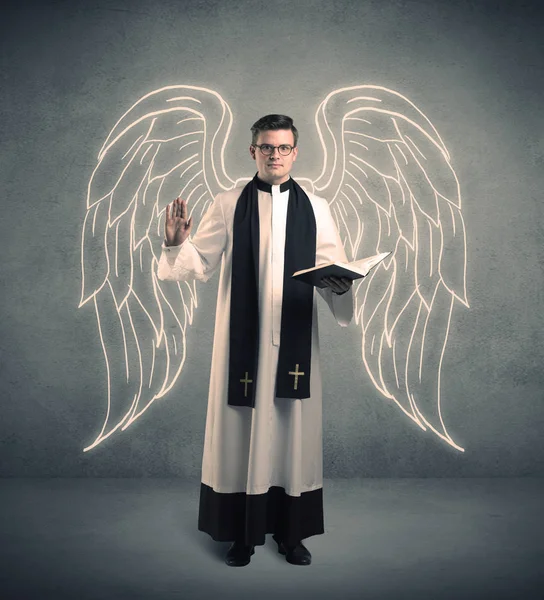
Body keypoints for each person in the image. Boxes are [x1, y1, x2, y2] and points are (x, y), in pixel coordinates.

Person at [157, 114, 354, 567]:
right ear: (253, 151)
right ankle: (241, 534)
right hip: (242, 343)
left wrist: (339, 285)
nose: (275, 155)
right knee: (239, 430)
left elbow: (331, 268)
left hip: (295, 342)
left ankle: (290, 535)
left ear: (295, 152)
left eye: (284, 148)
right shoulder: (229, 203)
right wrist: (174, 246)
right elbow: (199, 263)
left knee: (292, 432)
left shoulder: (317, 207)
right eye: (267, 147)